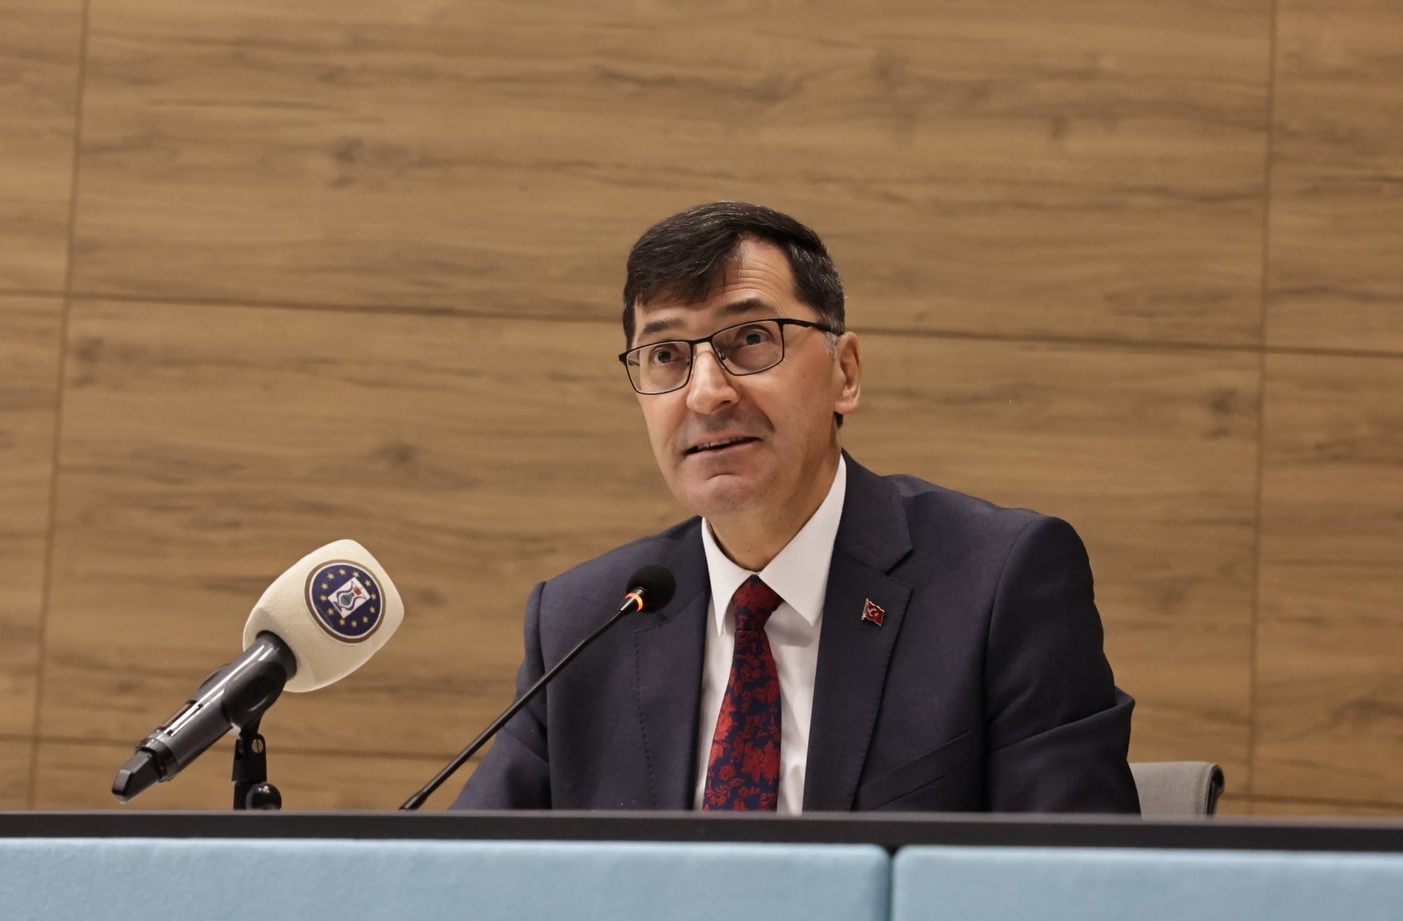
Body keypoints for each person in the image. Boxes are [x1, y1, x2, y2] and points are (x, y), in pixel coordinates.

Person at [454, 201, 1139, 813]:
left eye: (751, 339)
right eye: (666, 355)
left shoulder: (999, 584)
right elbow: (464, 879)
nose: (706, 393)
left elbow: (1071, 886)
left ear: (846, 372)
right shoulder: (585, 623)